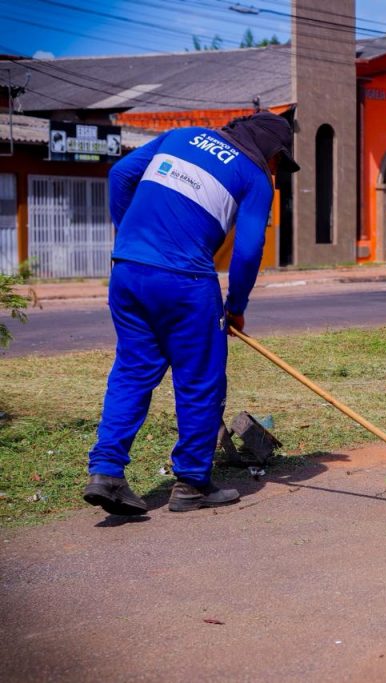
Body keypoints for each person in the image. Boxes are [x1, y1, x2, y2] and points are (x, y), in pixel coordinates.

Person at [82, 112, 300, 516]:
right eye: (279, 163)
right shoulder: (254, 176)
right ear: (272, 151)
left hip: (127, 270)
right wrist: (236, 307)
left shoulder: (181, 136)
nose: (276, 172)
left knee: (132, 371)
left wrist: (130, 236)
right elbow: (249, 250)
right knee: (200, 380)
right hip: (185, 281)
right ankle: (192, 484)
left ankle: (107, 472)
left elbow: (119, 175)